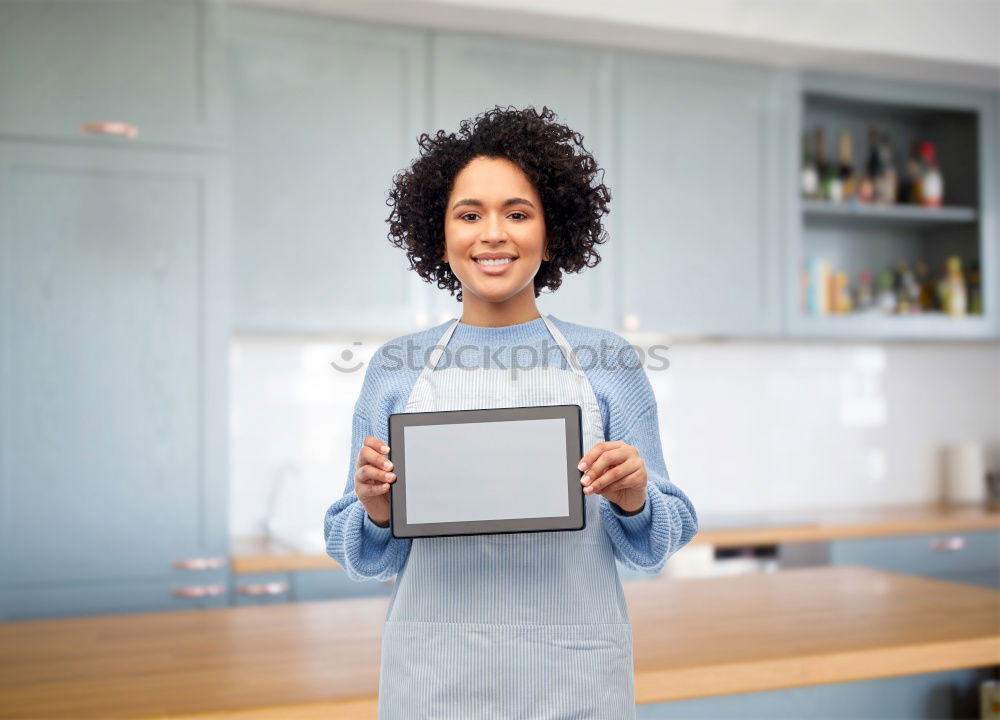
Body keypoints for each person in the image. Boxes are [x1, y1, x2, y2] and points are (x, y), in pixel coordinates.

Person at [324, 105, 698, 719]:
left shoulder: (607, 361)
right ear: (439, 235)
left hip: (575, 679)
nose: (492, 233)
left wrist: (634, 495)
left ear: (551, 233)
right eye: (469, 214)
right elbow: (362, 555)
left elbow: (655, 544)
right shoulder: (396, 367)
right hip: (434, 682)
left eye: (517, 213)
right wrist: (375, 507)